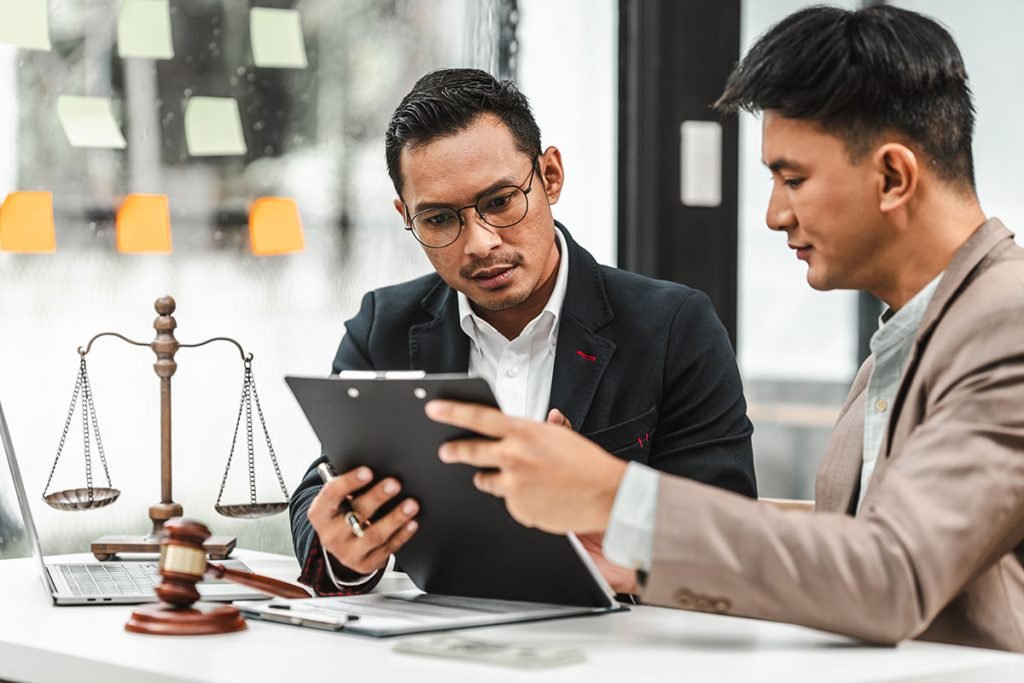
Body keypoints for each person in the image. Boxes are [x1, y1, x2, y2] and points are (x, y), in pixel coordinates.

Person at [427, 6, 1024, 652]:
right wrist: (635, 551)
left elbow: (891, 574)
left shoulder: (1006, 321)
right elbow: (848, 554)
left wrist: (618, 497)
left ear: (893, 177)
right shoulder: (911, 334)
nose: (773, 214)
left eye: (792, 178)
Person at [289, 68, 757, 596]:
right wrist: (344, 549)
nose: (480, 243)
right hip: (433, 637)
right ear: (406, 216)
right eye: (440, 219)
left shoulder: (672, 327)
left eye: (500, 202)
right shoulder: (384, 327)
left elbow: (730, 539)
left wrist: (608, 502)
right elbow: (322, 489)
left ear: (550, 176)